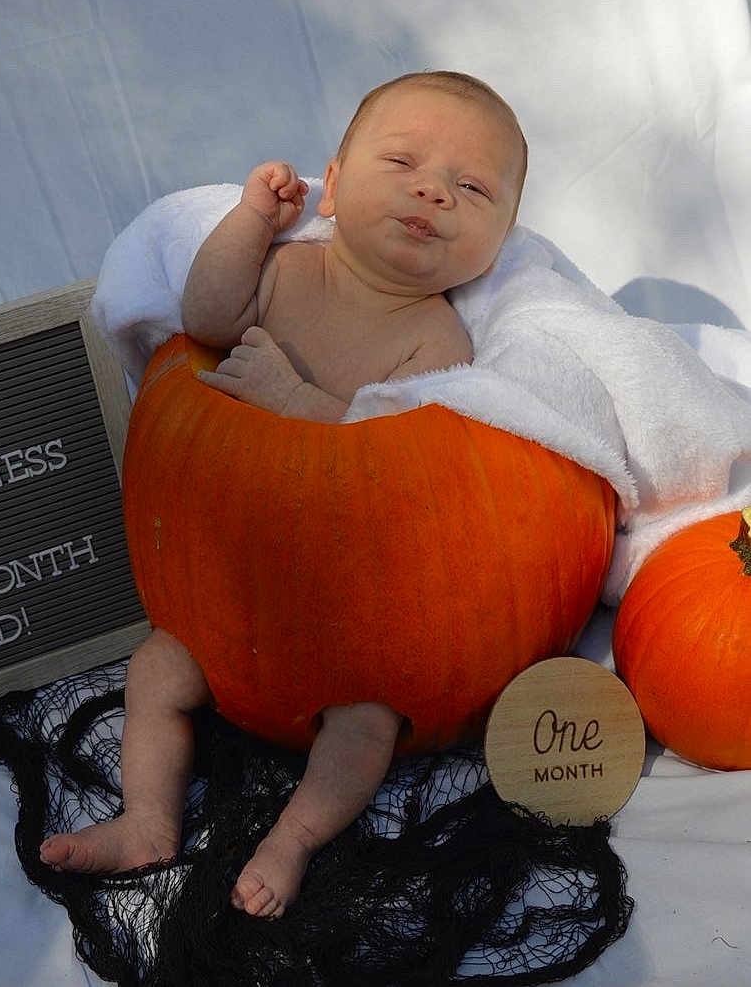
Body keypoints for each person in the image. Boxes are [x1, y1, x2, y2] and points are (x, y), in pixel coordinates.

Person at [40, 71, 528, 918]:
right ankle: (149, 819)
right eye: (404, 160)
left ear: (499, 239)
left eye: (472, 188)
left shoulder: (435, 337)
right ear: (331, 184)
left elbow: (408, 466)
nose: (432, 189)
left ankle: (293, 840)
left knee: (368, 727)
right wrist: (248, 221)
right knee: (158, 666)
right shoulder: (289, 271)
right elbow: (208, 317)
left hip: (346, 631)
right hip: (227, 610)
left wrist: (298, 403)